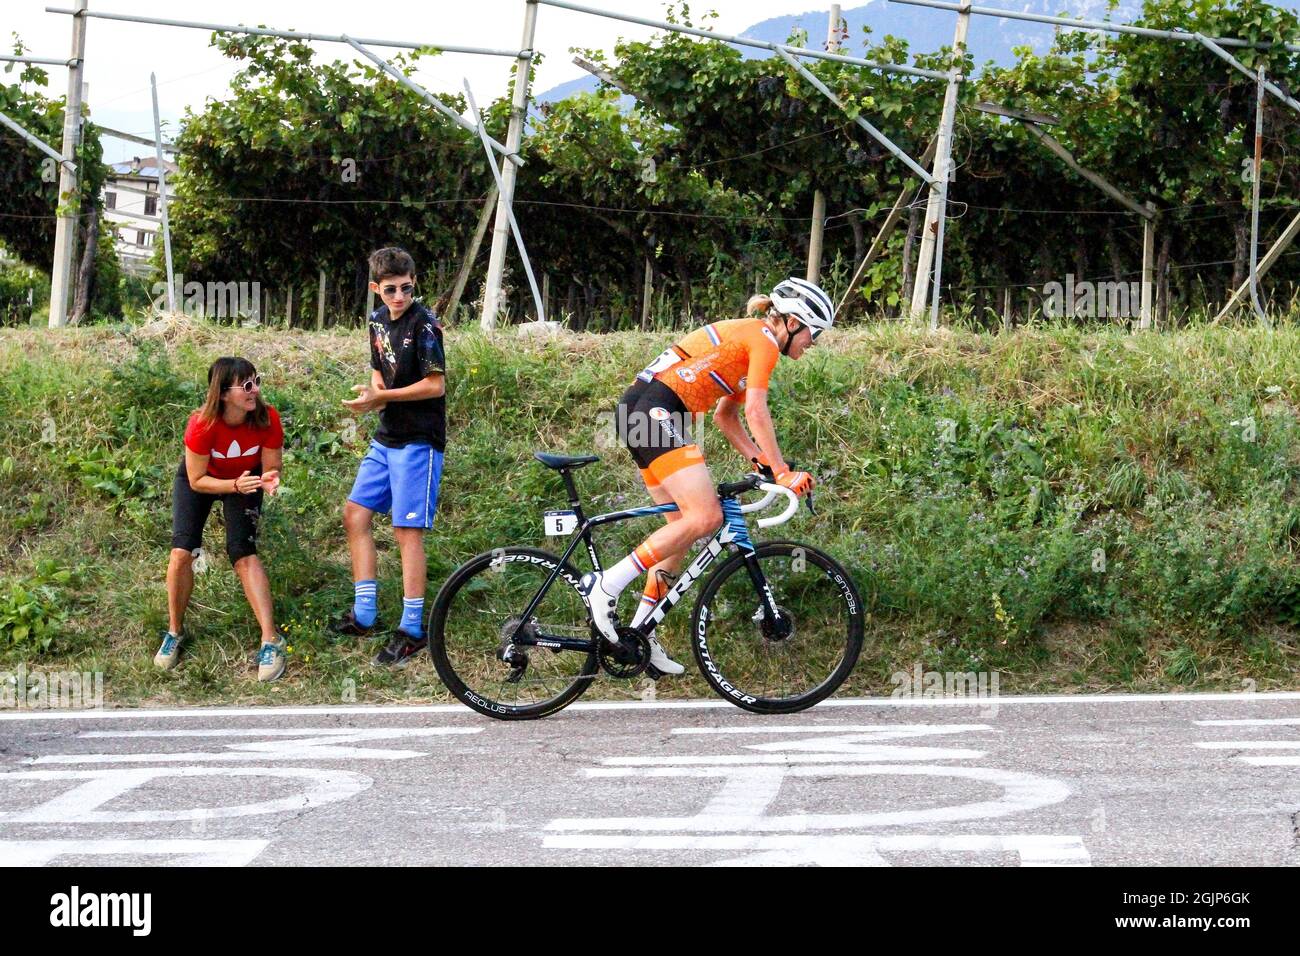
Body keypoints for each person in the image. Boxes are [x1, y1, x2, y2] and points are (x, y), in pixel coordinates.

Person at [589, 276, 833, 676]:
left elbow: (727, 416)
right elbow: (756, 409)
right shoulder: (763, 340)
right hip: (654, 411)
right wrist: (784, 472)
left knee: (681, 533)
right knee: (706, 518)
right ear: (791, 323)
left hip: (642, 411)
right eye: (813, 334)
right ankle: (608, 585)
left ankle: (639, 633)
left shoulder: (749, 341)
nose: (812, 343)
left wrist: (762, 463)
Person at [332, 247, 446, 666]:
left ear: (414, 282)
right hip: (387, 436)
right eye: (391, 289)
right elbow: (379, 370)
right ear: (376, 289)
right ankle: (364, 614)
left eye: (406, 287)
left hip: (420, 439)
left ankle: (412, 629)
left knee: (406, 531)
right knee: (355, 514)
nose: (399, 296)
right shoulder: (377, 321)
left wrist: (384, 397)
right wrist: (372, 396)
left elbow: (436, 386)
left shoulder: (426, 325)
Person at [155, 356, 286, 682]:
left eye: (257, 381)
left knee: (243, 554)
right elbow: (197, 480)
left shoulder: (267, 418)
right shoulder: (201, 424)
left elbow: (271, 466)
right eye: (246, 385)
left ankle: (271, 639)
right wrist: (233, 485)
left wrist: (270, 478)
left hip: (244, 480)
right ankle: (174, 631)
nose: (254, 390)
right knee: (182, 553)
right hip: (202, 481)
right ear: (223, 393)